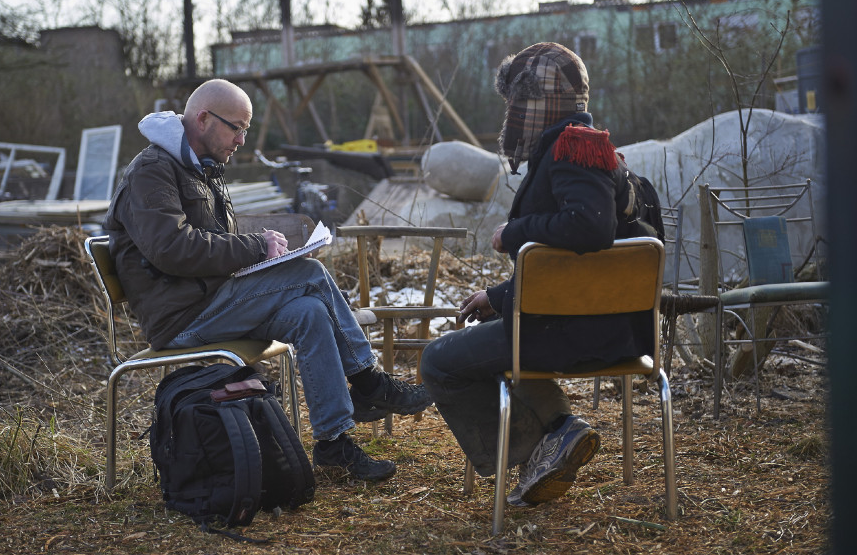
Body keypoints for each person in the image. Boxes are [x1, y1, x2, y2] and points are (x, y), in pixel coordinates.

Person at [102, 79, 432, 482]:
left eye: (246, 129)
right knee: (309, 274)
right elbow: (172, 249)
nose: (242, 139)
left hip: (212, 301)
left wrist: (258, 259)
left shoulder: (201, 168)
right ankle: (367, 382)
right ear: (203, 118)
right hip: (183, 318)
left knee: (308, 311)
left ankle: (333, 445)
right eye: (236, 127)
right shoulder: (152, 171)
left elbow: (209, 244)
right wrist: (255, 249)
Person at [421, 42, 653, 506]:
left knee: (438, 362)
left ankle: (544, 453)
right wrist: (500, 297)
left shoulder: (571, 149)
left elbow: (590, 229)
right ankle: (561, 430)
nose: (512, 112)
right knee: (493, 328)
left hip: (574, 333)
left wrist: (515, 231)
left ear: (539, 102)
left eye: (517, 101)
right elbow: (573, 270)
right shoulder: (594, 151)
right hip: (606, 328)